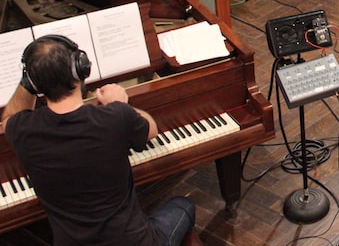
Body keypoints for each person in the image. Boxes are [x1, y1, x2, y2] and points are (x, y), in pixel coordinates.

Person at [1, 35, 196, 245]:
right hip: (134, 241)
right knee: (184, 205)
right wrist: (121, 103)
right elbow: (151, 129)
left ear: (33, 82)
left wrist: (27, 83)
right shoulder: (116, 116)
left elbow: (7, 119)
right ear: (81, 68)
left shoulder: (21, 129)